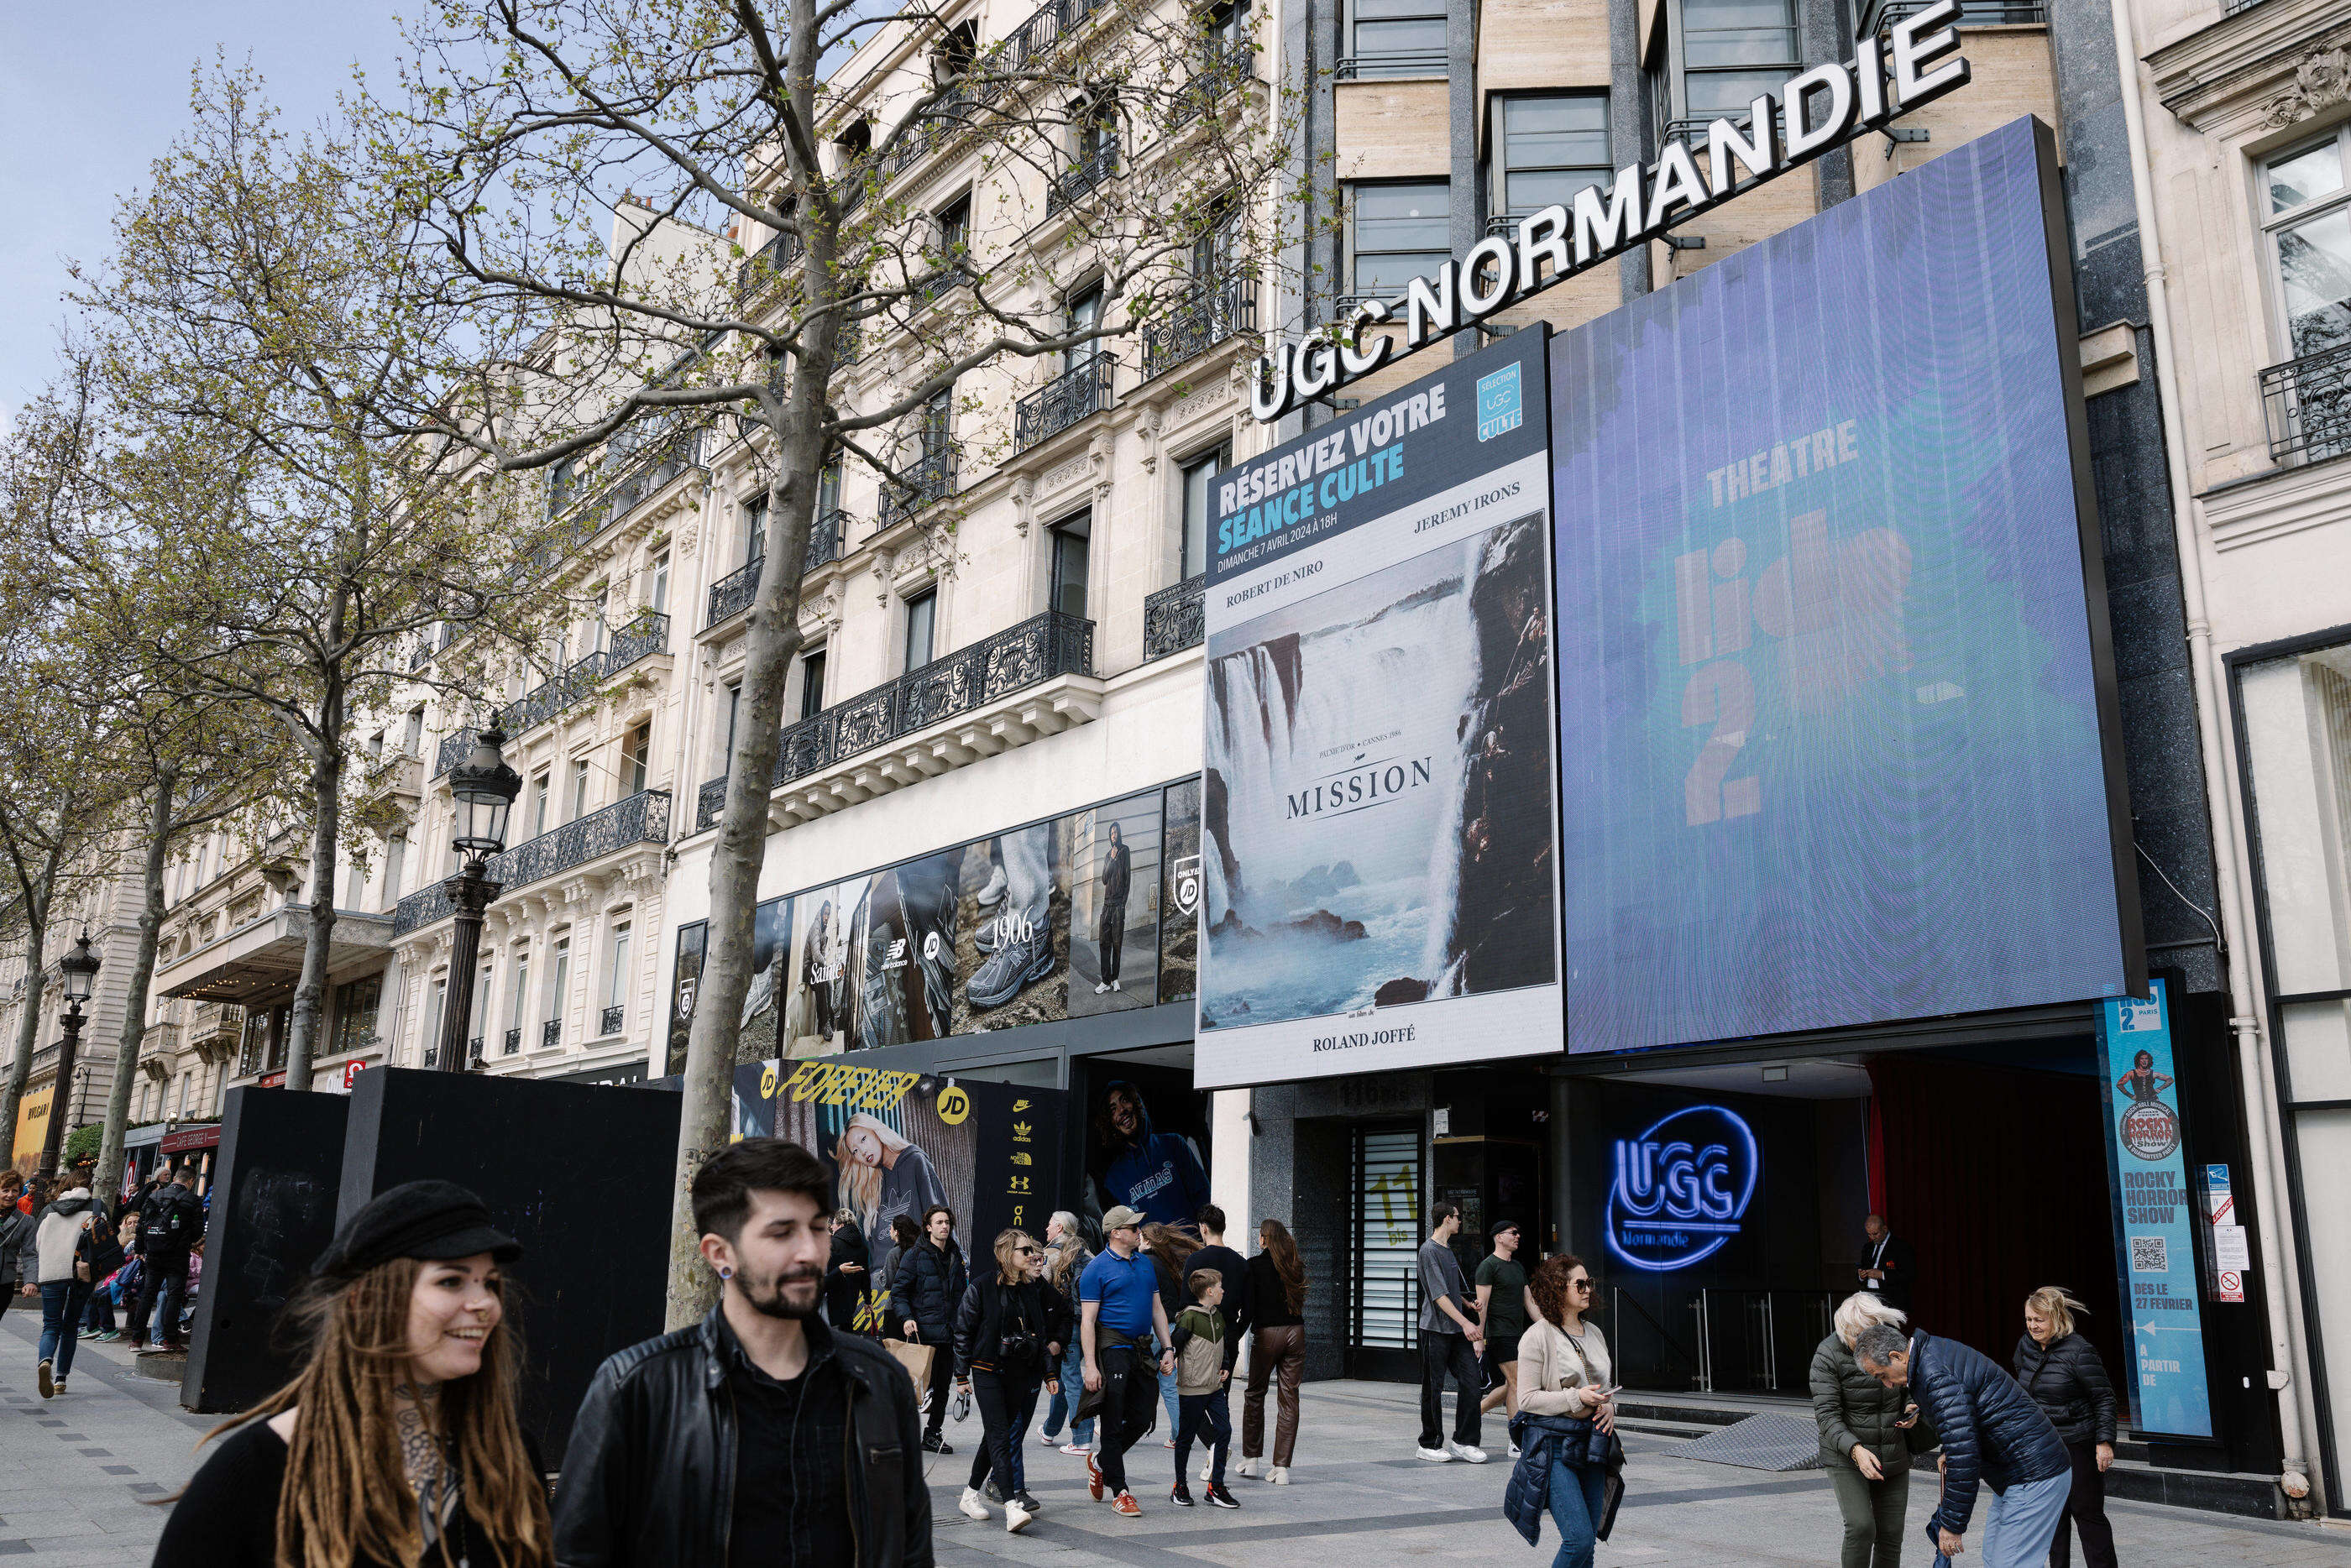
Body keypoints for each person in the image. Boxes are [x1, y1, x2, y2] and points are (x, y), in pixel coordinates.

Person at [556, 1137, 930, 1567]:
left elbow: (910, 1549)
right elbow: (578, 1555)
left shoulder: (879, 1381)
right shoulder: (638, 1388)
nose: (810, 1252)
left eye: (816, 1227)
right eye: (781, 1232)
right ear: (720, 1255)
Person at [152, 1180, 551, 1568]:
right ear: (365, 1300)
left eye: (491, 1284)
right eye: (451, 1281)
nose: (484, 1304)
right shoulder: (258, 1469)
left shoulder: (510, 1455)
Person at [1853, 1321, 2071, 1568]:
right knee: (1996, 1558)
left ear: (1896, 1356)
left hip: (2034, 1472)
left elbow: (1964, 1454)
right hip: (2022, 1471)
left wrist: (1951, 1525)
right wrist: (1950, 1447)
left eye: (1882, 1375)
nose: (1887, 1384)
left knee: (2009, 1563)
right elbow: (1964, 1422)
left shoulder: (1934, 1373)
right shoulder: (1930, 1356)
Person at [952, 1228, 1068, 1533]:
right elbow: (963, 1330)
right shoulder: (982, 1286)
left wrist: (1049, 1372)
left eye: (1032, 1250)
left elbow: (1040, 1335)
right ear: (1007, 1254)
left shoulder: (1032, 1289)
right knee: (1001, 1436)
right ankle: (1011, 1505)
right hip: (986, 1368)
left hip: (1020, 1371)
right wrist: (960, 1374)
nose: (1031, 1255)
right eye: (1024, 1251)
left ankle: (969, 1495)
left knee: (993, 1437)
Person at [1813, 1293, 1937, 1568]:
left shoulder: (1892, 1342)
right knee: (1860, 1527)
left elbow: (1911, 1380)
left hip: (1893, 1449)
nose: (1863, 1339)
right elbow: (1827, 1416)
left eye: (1870, 1331)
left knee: (1891, 1534)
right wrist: (1856, 1450)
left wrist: (1912, 1407)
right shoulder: (1828, 1354)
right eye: (1856, 1333)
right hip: (1847, 1452)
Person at [1510, 1254, 1618, 1568]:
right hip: (1553, 1446)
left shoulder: (1594, 1333)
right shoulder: (1537, 1336)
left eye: (1589, 1283)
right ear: (1558, 1288)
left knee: (1589, 1544)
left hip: (1593, 1443)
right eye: (1579, 1284)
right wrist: (1576, 1398)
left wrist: (1610, 1405)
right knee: (1578, 1539)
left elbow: (1603, 1387)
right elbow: (1527, 1398)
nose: (1587, 1290)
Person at [1079, 1205, 1177, 1518]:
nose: (1139, 1232)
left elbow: (1157, 1309)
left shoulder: (1146, 1265)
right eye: (1134, 1228)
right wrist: (1091, 1366)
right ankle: (1120, 1491)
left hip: (1142, 1347)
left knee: (1144, 1415)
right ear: (1116, 1233)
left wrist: (1169, 1348)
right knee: (1113, 1415)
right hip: (1113, 1348)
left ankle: (1099, 1462)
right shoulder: (1096, 1270)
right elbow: (1087, 1322)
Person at [2014, 1287, 2119, 1568]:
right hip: (2041, 1447)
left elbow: (2104, 1397)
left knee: (2088, 1515)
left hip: (2077, 1445)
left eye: (2039, 1320)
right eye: (2028, 1320)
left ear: (2057, 1318)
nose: (2033, 1326)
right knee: (2052, 1519)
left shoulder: (2079, 1351)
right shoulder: (2026, 1347)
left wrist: (2105, 1441)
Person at [888, 1203, 967, 1454]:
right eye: (940, 1223)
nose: (944, 1227)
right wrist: (906, 1317)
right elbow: (899, 1291)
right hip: (921, 1334)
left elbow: (960, 1295)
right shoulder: (915, 1254)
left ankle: (933, 1433)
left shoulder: (955, 1255)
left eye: (947, 1223)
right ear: (928, 1227)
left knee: (942, 1387)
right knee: (912, 1387)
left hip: (947, 1333)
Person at [1416, 1202, 1487, 1463]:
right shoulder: (1429, 1250)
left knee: (1472, 1381)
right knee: (1432, 1388)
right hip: (1434, 1330)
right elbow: (1439, 1296)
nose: (1461, 1221)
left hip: (1455, 1330)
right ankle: (1429, 1443)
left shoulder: (1447, 1250)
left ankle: (1464, 1442)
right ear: (1447, 1219)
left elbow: (1452, 1291)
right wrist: (1467, 1323)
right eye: (1458, 1217)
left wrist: (1469, 1304)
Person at [1186, 1205, 1250, 1482]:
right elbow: (1250, 1308)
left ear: (1203, 1228)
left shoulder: (1196, 1261)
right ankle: (1216, 1450)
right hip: (1228, 1337)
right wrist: (1235, 1332)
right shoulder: (1241, 1263)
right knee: (1219, 1399)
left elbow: (1184, 1305)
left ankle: (1215, 1446)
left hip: (1200, 1339)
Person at [1239, 1216, 1306, 1482]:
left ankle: (1251, 1461)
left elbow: (1249, 1306)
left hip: (1267, 1334)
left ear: (1264, 1239)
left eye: (1260, 1235)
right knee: (1289, 1398)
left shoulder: (1253, 1265)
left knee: (1255, 1394)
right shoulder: (1294, 1265)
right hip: (1296, 1333)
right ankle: (1282, 1469)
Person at [1090, 1081, 1209, 1228]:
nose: (1121, 1110)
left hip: (1191, 1246)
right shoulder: (1114, 1178)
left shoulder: (1173, 1144)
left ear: (1137, 1103)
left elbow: (1203, 1194)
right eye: (1113, 1109)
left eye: (1125, 1100)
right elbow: (1121, 1230)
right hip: (1150, 1251)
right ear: (1110, 1122)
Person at [836, 1113, 950, 1266]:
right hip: (882, 1278)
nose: (862, 1152)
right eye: (855, 1151)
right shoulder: (872, 1186)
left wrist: (956, 1261)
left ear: (876, 1132)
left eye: (863, 1139)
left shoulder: (915, 1161)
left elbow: (938, 1217)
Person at [1170, 1267, 1241, 1508]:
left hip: (1214, 1387)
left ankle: (1216, 1486)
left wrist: (1226, 1364)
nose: (1224, 1290)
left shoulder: (1217, 1315)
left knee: (1224, 1431)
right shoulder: (1189, 1317)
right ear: (1210, 1291)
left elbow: (1223, 1344)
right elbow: (1175, 1345)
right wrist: (1168, 1361)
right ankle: (1180, 1485)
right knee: (1186, 1438)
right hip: (1192, 1388)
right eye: (1220, 1287)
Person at [34, 1178, 102, 1398]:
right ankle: (61, 1379)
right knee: (70, 1325)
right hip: (83, 1273)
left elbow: (38, 1244)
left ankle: (45, 1361)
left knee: (51, 1325)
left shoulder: (48, 1210)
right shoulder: (97, 1207)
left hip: (52, 1272)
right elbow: (103, 1239)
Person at [1038, 1211, 1096, 1456]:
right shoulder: (1088, 1254)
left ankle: (1082, 1438)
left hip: (1065, 1326)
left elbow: (1039, 1289)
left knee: (1071, 1379)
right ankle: (1050, 1430)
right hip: (1088, 1323)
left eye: (1050, 1224)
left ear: (1059, 1227)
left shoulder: (1051, 1254)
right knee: (1064, 1376)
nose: (1046, 1227)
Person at [1140, 1222, 1201, 1444]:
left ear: (1147, 1240)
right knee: (1168, 1384)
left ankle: (1120, 1423)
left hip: (1156, 1329)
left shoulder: (1146, 1262)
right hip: (1172, 1328)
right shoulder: (1168, 1261)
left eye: (1140, 1238)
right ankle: (1179, 1435)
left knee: (1132, 1375)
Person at [134, 1163, 205, 1351]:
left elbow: (141, 1224)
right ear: (191, 1181)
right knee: (174, 1295)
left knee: (148, 1296)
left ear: (175, 1179)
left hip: (154, 1253)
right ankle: (169, 1340)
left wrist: (141, 1249)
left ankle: (137, 1340)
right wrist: (184, 1239)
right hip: (177, 1255)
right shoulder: (193, 1200)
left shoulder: (154, 1196)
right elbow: (198, 1231)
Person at [1477, 1220, 1534, 1435]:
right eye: (1513, 1233)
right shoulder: (1488, 1266)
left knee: (1514, 1383)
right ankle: (1516, 1439)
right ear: (1499, 1237)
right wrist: (1478, 1338)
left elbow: (1529, 1302)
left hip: (1518, 1334)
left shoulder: (1517, 1267)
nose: (1518, 1236)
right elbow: (1482, 1305)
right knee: (1518, 1381)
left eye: (1518, 1233)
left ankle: (1476, 1411)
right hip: (1499, 1333)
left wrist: (1550, 1327)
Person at [1093, 821, 1131, 995]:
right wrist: (1112, 859)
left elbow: (1127, 878)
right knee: (1103, 943)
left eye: (1115, 833)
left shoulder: (1125, 851)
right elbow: (1104, 879)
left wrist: (1123, 903)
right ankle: (1105, 981)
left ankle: (1115, 978)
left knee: (1117, 944)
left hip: (1118, 906)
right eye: (1111, 834)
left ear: (1120, 834)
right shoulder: (1109, 855)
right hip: (1107, 905)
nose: (1113, 836)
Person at [825, 1205, 872, 1333]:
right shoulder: (863, 1247)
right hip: (851, 1302)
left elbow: (826, 1275)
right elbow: (865, 1276)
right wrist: (868, 1300)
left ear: (841, 1225)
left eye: (834, 1224)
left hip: (831, 1304)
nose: (831, 1227)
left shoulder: (833, 1244)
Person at [1856, 1214, 1916, 1313]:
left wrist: (1882, 1275)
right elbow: (1861, 1270)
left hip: (1892, 1300)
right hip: (1870, 1299)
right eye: (1869, 1234)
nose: (1872, 1238)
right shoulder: (1867, 1247)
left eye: (1875, 1234)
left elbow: (1909, 1275)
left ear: (1885, 1229)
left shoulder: (1900, 1247)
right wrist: (1861, 1276)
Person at [0, 1172, 34, 1326]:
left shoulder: (25, 1221)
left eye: (14, 1191)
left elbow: (30, 1254)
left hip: (4, 1283)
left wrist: (31, 1281)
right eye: (5, 1190)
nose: (10, 1195)